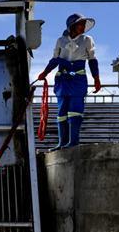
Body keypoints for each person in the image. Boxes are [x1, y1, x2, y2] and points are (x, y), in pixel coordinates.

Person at [37, 13, 102, 150]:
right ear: (72, 26)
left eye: (84, 24)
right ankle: (62, 143)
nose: (83, 26)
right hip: (62, 79)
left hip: (78, 79)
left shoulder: (87, 40)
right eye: (80, 24)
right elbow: (55, 59)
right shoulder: (61, 40)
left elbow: (92, 60)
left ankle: (73, 142)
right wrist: (44, 73)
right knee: (62, 111)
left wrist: (96, 79)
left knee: (75, 110)